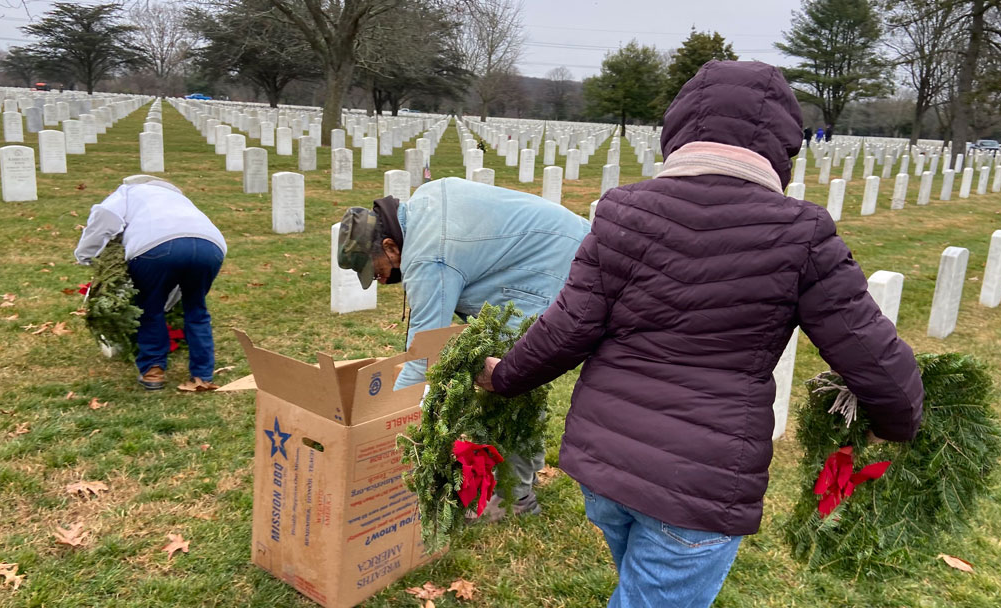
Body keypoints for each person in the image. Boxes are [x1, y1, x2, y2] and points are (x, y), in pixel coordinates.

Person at [475, 61, 924, 607]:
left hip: (606, 468)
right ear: (783, 145)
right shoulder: (801, 233)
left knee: (641, 588)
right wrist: (894, 424)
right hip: (699, 485)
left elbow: (568, 327)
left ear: (680, 128)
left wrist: (504, 377)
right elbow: (876, 359)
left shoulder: (623, 212)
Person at [336, 177, 590, 520]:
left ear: (390, 247)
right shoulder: (423, 206)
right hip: (558, 253)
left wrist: (387, 425)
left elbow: (426, 355)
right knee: (503, 372)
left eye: (373, 268)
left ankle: (516, 497)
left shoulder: (427, 257)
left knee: (506, 380)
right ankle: (526, 470)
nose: (379, 279)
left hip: (557, 269)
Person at [74, 176, 227, 392]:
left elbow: (106, 215)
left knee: (150, 308)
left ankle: (153, 371)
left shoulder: (129, 192)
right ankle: (202, 375)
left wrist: (87, 255)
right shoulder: (179, 198)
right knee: (196, 309)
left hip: (154, 246)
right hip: (211, 246)